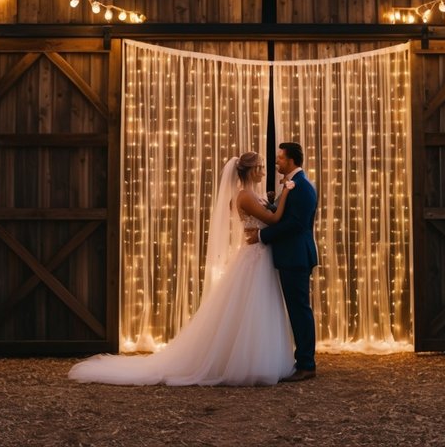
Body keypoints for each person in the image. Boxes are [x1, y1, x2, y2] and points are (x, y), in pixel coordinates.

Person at [69, 151, 295, 386]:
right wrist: (286, 192)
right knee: (251, 307)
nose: (263, 170)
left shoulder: (252, 195)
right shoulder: (245, 196)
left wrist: (270, 200)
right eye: (259, 167)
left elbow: (259, 215)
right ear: (249, 170)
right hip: (253, 259)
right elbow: (274, 219)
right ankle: (247, 362)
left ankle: (255, 358)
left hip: (258, 256)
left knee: (257, 307)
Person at [246, 142, 317, 381]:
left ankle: (307, 364)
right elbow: (285, 216)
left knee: (299, 310)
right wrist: (271, 205)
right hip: (289, 256)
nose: (276, 162)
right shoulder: (293, 187)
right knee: (296, 309)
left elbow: (296, 224)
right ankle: (302, 361)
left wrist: (262, 235)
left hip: (296, 256)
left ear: (292, 161)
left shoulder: (303, 188)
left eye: (280, 158)